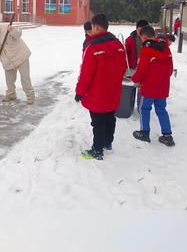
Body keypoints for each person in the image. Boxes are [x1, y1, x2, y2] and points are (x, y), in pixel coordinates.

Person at [75, 13, 127, 160]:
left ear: (96, 27)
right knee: (110, 117)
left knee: (97, 122)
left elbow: (86, 73)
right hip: (113, 91)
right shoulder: (119, 45)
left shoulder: (92, 47)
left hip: (97, 93)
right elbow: (123, 67)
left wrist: (80, 92)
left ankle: (97, 150)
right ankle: (107, 143)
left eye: (92, 26)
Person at [131, 25, 175, 147]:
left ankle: (144, 133)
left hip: (149, 88)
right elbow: (170, 70)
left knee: (144, 109)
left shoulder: (146, 50)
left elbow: (141, 71)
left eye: (141, 38)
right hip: (163, 87)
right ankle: (167, 136)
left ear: (144, 37)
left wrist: (134, 79)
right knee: (161, 110)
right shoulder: (166, 49)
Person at [0, 16, 35, 104]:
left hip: (20, 55)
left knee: (25, 78)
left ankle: (30, 96)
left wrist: (12, 30)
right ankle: (11, 95)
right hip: (7, 60)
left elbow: (19, 34)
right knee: (9, 81)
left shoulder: (5, 27)